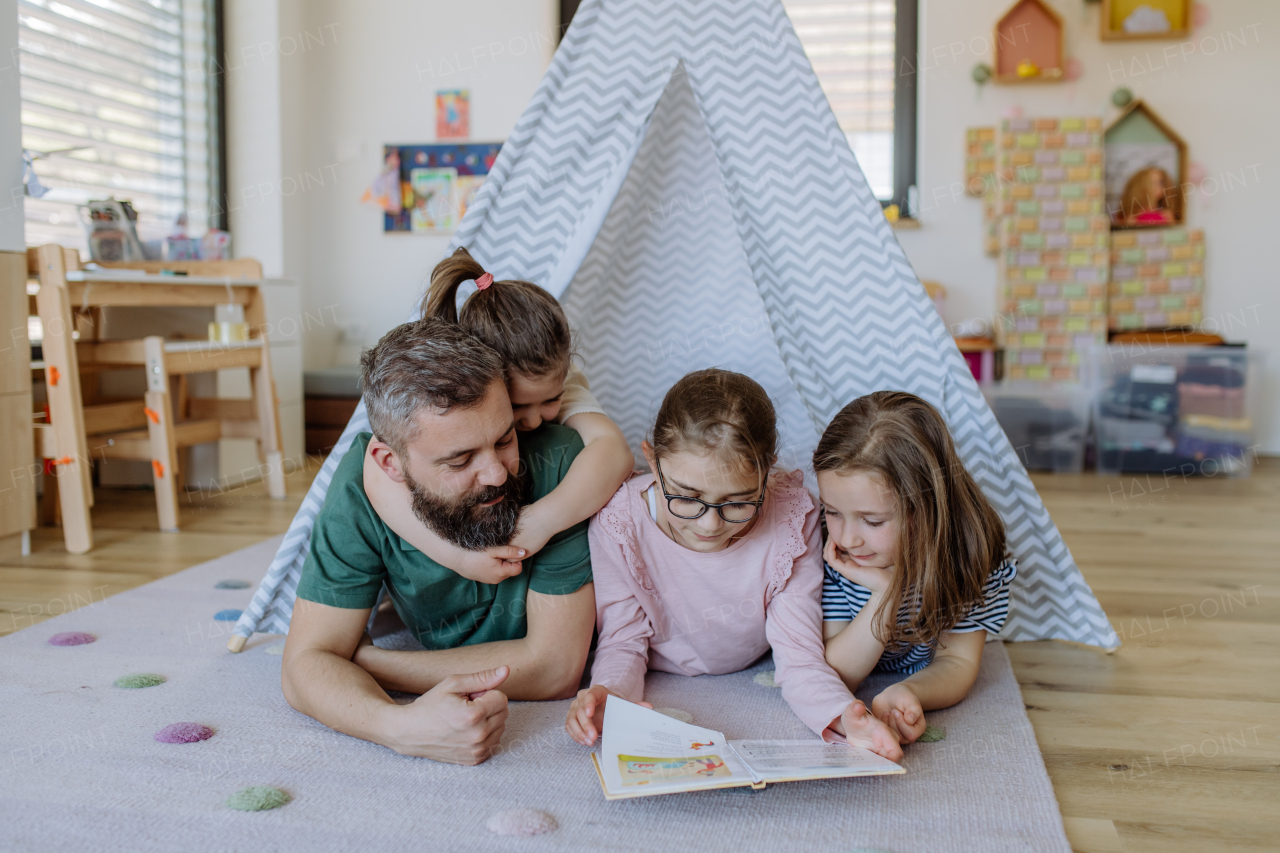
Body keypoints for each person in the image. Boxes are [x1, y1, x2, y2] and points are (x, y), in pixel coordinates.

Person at [282, 319, 597, 765]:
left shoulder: (560, 464)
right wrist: (398, 727)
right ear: (389, 463)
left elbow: (555, 668)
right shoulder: (358, 489)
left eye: (505, 438)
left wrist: (371, 662)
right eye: (460, 459)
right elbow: (305, 664)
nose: (497, 474)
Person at [564, 369, 903, 762]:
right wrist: (611, 695)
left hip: (755, 660)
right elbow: (623, 639)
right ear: (653, 462)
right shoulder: (619, 522)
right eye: (687, 497)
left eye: (739, 502)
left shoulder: (793, 515)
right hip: (658, 668)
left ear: (767, 474)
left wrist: (842, 716)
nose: (710, 525)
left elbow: (798, 651)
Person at [364, 246, 635, 583]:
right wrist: (458, 558)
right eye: (519, 406)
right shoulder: (455, 389)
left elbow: (613, 450)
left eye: (552, 400)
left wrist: (542, 521)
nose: (536, 420)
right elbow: (376, 472)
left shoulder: (558, 375)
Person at [816, 391, 1017, 745]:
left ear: (926, 508)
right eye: (832, 511)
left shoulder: (970, 556)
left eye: (872, 521)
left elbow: (957, 663)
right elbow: (836, 673)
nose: (847, 537)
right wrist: (885, 594)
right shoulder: (833, 554)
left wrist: (911, 691)